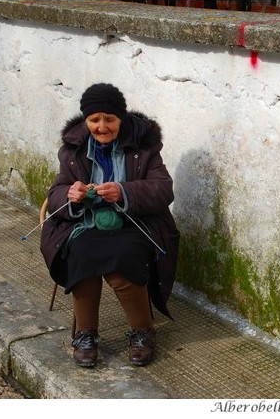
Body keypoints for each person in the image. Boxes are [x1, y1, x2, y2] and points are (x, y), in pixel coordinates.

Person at [40, 83, 179, 368]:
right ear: (85, 120)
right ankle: (85, 334)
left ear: (122, 118)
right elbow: (55, 193)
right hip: (86, 226)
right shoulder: (73, 150)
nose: (101, 127)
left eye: (109, 119)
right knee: (81, 252)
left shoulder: (144, 146)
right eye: (94, 120)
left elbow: (163, 190)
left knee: (121, 260)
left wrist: (124, 191)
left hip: (134, 225)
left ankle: (142, 332)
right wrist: (70, 194)